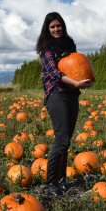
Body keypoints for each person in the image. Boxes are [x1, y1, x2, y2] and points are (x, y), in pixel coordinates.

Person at [36, 12, 92, 196]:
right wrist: (75, 82)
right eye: (52, 27)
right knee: (61, 139)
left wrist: (82, 80)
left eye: (58, 25)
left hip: (71, 95)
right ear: (47, 29)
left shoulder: (70, 44)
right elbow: (54, 73)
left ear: (63, 26)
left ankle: (61, 181)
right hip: (56, 95)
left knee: (66, 141)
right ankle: (51, 182)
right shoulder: (46, 48)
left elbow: (77, 66)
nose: (56, 29)